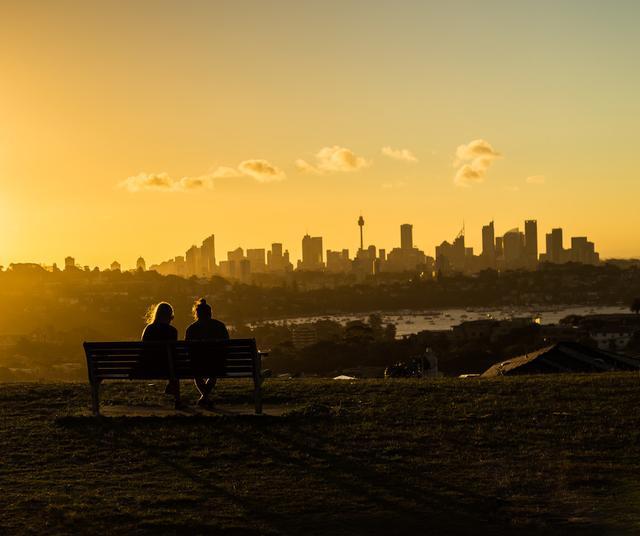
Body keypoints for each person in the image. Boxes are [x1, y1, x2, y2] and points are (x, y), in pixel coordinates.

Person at [185, 298, 229, 406]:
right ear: (210, 313)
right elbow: (227, 345)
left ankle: (204, 397)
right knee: (214, 371)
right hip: (217, 364)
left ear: (197, 314)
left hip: (196, 365)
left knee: (197, 372)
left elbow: (187, 349)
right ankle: (205, 397)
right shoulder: (220, 326)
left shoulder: (191, 328)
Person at [141, 302, 179, 397]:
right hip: (167, 368)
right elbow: (173, 353)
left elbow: (143, 350)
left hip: (148, 367)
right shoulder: (172, 331)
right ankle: (177, 399)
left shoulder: (149, 329)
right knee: (173, 362)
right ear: (170, 317)